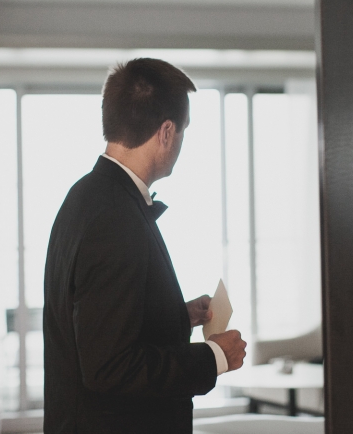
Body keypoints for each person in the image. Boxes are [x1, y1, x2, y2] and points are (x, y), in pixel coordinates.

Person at [43, 58, 247, 434]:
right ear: (166, 132)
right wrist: (214, 356)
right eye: (184, 131)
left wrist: (174, 317)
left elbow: (92, 323)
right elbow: (109, 368)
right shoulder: (114, 217)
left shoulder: (84, 196)